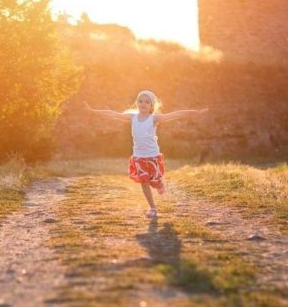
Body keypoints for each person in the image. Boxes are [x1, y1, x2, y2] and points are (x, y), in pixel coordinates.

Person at [84, 90, 208, 218]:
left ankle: (159, 184)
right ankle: (153, 208)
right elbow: (113, 114)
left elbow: (176, 114)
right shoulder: (132, 117)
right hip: (139, 157)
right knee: (144, 182)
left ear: (152, 106)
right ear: (137, 103)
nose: (143, 104)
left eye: (147, 102)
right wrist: (94, 111)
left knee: (155, 182)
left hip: (153, 156)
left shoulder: (154, 118)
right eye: (140, 101)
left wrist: (194, 113)